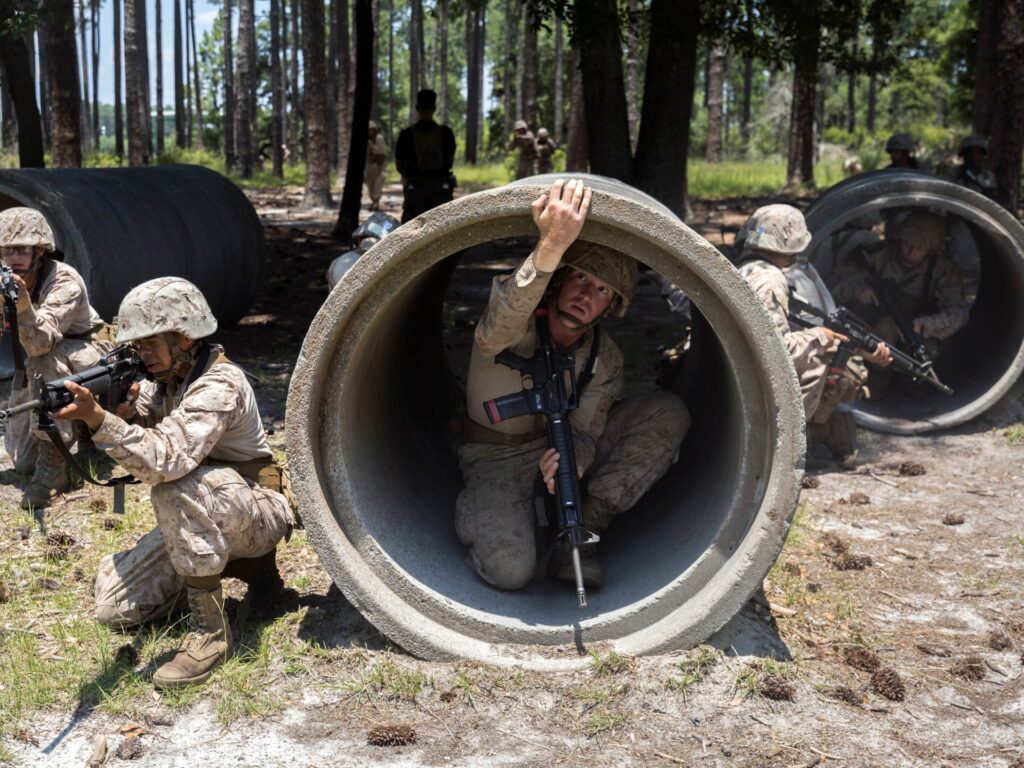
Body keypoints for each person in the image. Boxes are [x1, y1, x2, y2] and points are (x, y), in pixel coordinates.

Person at [53, 277, 297, 690]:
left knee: (172, 486)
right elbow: (148, 416)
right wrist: (124, 411)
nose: (142, 353)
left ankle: (211, 633)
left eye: (150, 343)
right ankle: (226, 572)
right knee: (115, 610)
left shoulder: (221, 384)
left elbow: (164, 459)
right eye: (137, 345)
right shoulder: (168, 380)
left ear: (183, 337)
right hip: (213, 507)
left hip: (258, 509)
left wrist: (99, 419)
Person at [455, 179, 690, 591]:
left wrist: (573, 460)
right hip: (496, 457)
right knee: (510, 570)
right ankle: (485, 515)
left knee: (667, 413)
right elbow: (495, 330)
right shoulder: (516, 322)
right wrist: (550, 247)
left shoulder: (604, 356)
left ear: (610, 306)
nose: (586, 295)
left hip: (556, 448)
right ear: (560, 280)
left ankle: (581, 540)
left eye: (602, 291)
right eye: (580, 278)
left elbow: (586, 431)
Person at [736, 205, 891, 465]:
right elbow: (774, 350)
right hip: (755, 376)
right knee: (841, 372)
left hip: (741, 370)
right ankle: (791, 443)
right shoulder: (772, 280)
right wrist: (820, 337)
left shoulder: (748, 268)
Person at [0, 207, 114, 509]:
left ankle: (54, 471)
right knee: (23, 462)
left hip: (90, 352)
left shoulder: (64, 280)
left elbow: (40, 343)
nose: (13, 257)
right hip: (44, 361)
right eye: (6, 250)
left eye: (21, 249)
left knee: (42, 361)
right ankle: (78, 426)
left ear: (39, 250)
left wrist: (23, 306)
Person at [831, 210, 969, 357]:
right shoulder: (878, 254)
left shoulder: (943, 270)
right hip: (872, 323)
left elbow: (958, 313)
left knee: (927, 349)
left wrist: (926, 324)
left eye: (920, 248)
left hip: (916, 328)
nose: (911, 252)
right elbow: (831, 283)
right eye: (908, 243)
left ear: (931, 250)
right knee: (886, 330)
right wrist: (856, 289)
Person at [394, 89, 457, 223]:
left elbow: (399, 165)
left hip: (415, 190)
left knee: (412, 230)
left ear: (417, 108)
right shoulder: (446, 133)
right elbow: (449, 161)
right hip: (440, 188)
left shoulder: (406, 135)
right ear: (434, 108)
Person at [947, 135, 1000, 203]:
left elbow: (994, 200)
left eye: (978, 152)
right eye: (970, 152)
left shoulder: (988, 176)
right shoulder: (954, 174)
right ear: (964, 155)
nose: (974, 156)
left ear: (983, 155)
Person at [364, 121, 389, 211]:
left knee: (377, 184)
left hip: (379, 165)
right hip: (369, 165)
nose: (370, 132)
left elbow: (381, 151)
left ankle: (376, 202)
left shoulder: (379, 138)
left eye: (372, 130)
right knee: (370, 184)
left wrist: (372, 146)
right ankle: (373, 201)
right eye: (369, 130)